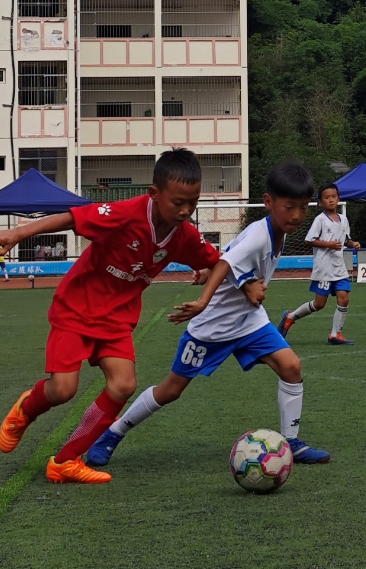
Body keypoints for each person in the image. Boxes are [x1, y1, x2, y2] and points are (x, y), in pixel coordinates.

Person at [0, 148, 221, 486]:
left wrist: (213, 273)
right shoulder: (124, 214)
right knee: (63, 390)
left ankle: (66, 461)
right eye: (177, 202)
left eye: (192, 203)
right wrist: (16, 234)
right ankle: (25, 411)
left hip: (117, 319)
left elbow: (217, 260)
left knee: (124, 384)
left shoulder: (184, 235)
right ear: (154, 193)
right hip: (76, 309)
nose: (184, 210)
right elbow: (72, 217)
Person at [87, 161, 330, 469]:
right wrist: (203, 301)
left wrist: (214, 273)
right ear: (268, 202)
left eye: (302, 208)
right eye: (289, 207)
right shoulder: (259, 234)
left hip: (250, 321)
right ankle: (112, 433)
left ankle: (291, 442)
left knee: (291, 366)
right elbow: (226, 263)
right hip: (212, 327)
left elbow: (224, 253)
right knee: (171, 390)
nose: (296, 215)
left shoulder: (277, 231)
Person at [278, 182, 360, 346]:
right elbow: (309, 240)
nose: (331, 200)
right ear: (320, 202)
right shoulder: (320, 220)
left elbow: (345, 239)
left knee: (344, 299)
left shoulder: (343, 219)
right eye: (327, 197)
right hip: (324, 268)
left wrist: (352, 244)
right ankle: (290, 317)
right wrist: (329, 245)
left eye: (334, 197)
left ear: (339, 199)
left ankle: (335, 335)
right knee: (319, 304)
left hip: (339, 268)